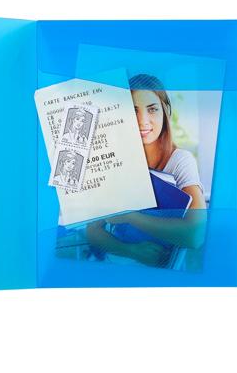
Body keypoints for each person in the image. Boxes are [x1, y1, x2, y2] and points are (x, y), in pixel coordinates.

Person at [86, 74, 207, 268]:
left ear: (166, 111)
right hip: (114, 268)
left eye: (152, 109)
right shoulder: (117, 161)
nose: (142, 121)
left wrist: (130, 216)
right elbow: (92, 231)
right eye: (133, 110)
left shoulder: (180, 161)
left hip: (159, 275)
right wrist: (132, 251)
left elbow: (195, 235)